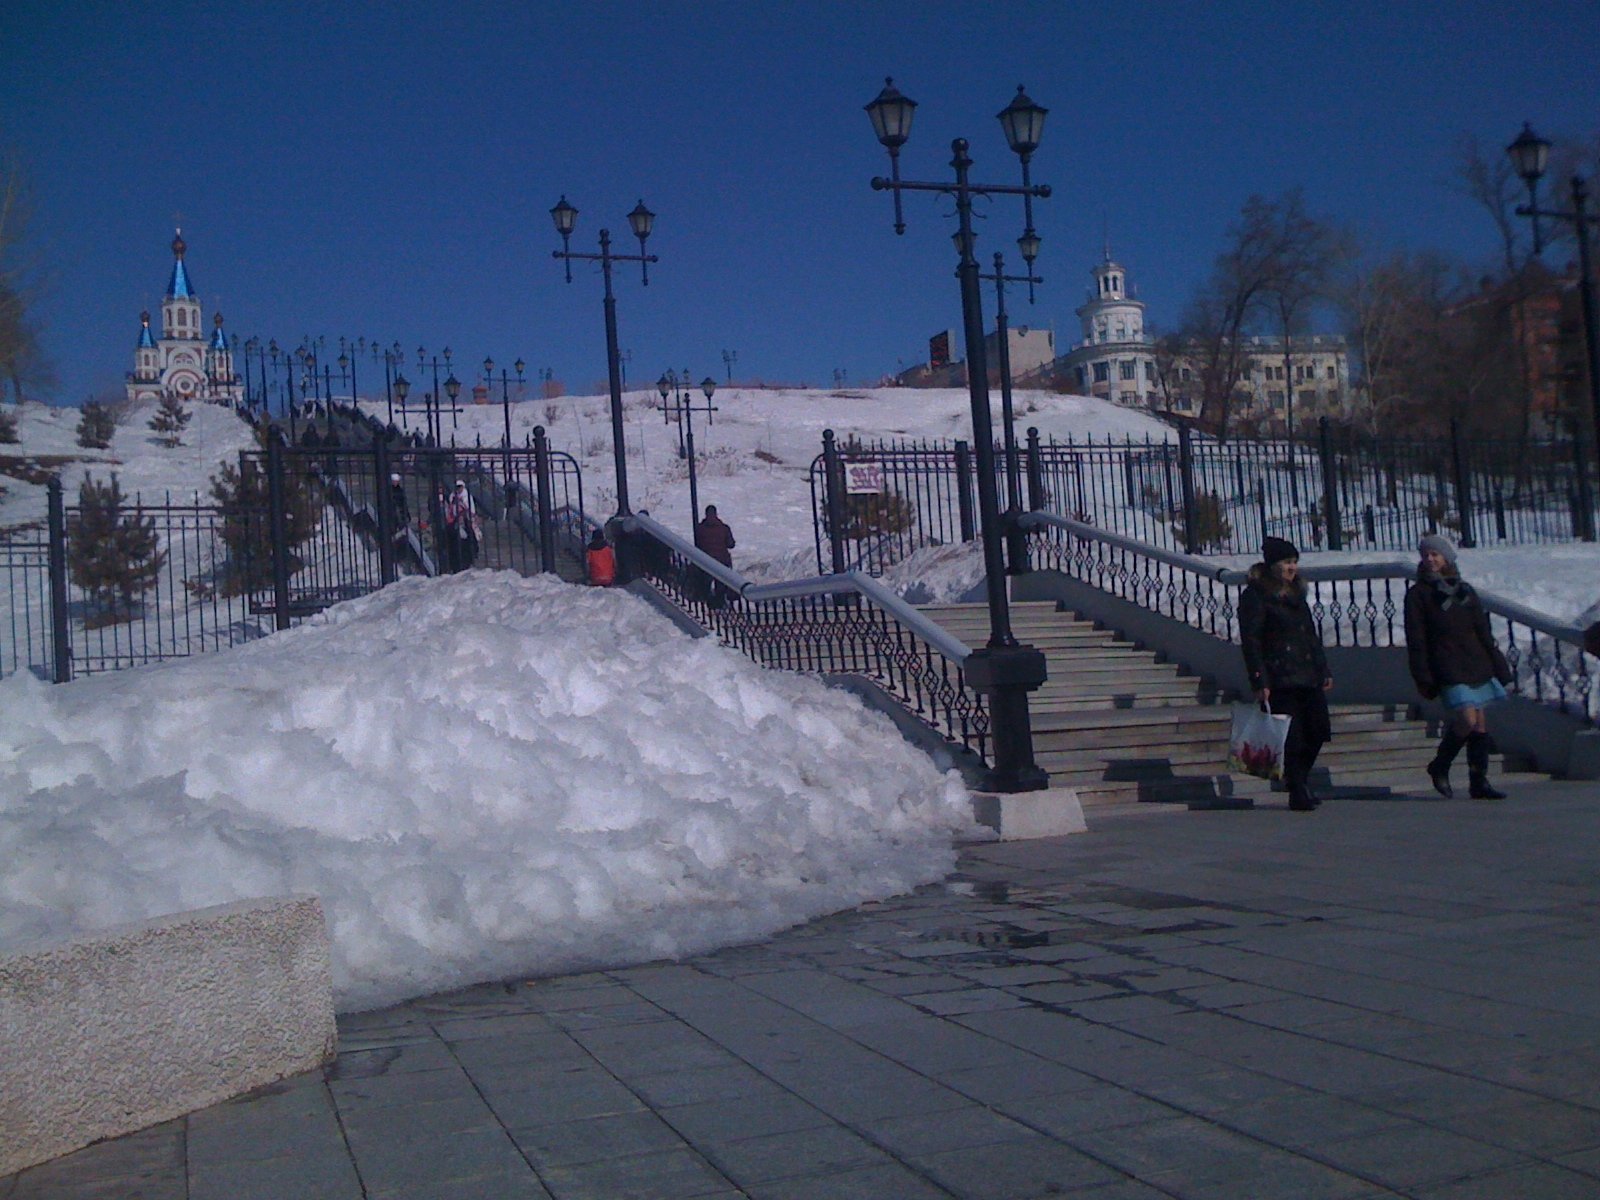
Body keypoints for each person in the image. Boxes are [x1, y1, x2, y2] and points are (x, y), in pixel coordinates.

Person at [1405, 534, 1512, 799]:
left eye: (1435, 554)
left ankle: (1479, 780)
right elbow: (1416, 639)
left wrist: (1498, 663)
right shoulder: (1419, 595)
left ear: (1447, 558)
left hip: (1476, 662)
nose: (1430, 559)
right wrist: (1423, 676)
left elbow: (1482, 629)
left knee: (1480, 723)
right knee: (1466, 719)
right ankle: (1440, 765)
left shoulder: (1464, 590)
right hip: (1447, 664)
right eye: (1426, 555)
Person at [1238, 536, 1333, 812]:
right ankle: (1298, 789)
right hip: (1279, 676)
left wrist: (1322, 668)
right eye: (1287, 563)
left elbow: (1310, 636)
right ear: (1272, 566)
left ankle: (1297, 780)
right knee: (1292, 737)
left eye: (1294, 562)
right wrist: (1259, 679)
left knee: (1318, 731)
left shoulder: (1296, 594)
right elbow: (1252, 640)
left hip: (1307, 674)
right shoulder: (1257, 596)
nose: (1292, 568)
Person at [694, 504, 736, 609]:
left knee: (706, 582)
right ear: (716, 514)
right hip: (722, 560)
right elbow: (731, 544)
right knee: (721, 584)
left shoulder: (700, 528)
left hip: (707, 561)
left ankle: (706, 604)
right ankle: (719, 604)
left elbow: (698, 544)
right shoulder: (724, 528)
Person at [443, 479, 480, 572]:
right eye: (457, 487)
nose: (458, 489)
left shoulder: (466, 496)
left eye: (460, 487)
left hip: (465, 520)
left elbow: (469, 508)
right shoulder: (453, 496)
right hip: (455, 521)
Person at [388, 472, 410, 537]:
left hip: (399, 511)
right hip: (392, 511)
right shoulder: (388, 491)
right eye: (394, 481)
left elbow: (403, 502)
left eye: (396, 481)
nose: (395, 483)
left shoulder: (400, 490)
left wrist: (407, 513)